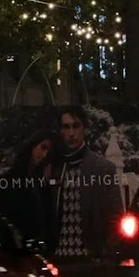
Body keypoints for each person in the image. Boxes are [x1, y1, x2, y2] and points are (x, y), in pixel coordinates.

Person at [52, 105, 123, 259]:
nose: (71, 133)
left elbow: (116, 215)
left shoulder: (102, 168)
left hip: (91, 258)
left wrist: (106, 252)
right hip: (60, 258)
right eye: (66, 127)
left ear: (84, 128)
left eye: (76, 126)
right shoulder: (56, 168)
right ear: (61, 131)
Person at [0, 131, 57, 249]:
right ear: (33, 145)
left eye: (47, 151)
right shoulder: (8, 180)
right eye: (42, 147)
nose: (43, 154)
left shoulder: (39, 183)